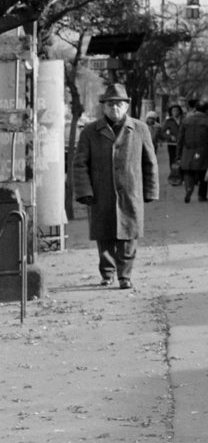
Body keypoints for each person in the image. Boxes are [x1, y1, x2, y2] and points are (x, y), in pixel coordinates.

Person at [71, 83, 159, 289]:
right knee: (104, 234)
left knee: (129, 235)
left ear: (127, 106)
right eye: (110, 104)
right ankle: (108, 272)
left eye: (119, 104)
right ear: (104, 107)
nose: (115, 108)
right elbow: (79, 164)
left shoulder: (140, 129)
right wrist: (84, 191)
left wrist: (150, 190)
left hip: (130, 191)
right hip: (100, 192)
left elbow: (150, 162)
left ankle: (125, 276)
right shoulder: (90, 131)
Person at [176, 97, 208, 204]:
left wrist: (178, 153)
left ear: (195, 109)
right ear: (206, 110)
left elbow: (180, 138)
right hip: (203, 150)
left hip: (188, 150)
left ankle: (189, 188)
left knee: (188, 171)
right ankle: (202, 195)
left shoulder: (186, 121)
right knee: (203, 172)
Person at [162, 106, 183, 180]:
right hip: (172, 144)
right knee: (173, 159)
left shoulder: (184, 120)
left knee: (182, 159)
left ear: (179, 111)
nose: (175, 112)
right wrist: (170, 136)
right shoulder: (168, 121)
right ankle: (173, 174)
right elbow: (163, 132)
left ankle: (181, 174)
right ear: (171, 112)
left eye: (177, 110)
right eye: (173, 111)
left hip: (182, 143)